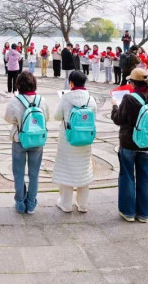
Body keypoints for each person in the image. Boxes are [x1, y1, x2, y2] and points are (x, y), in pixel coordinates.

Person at [111, 68, 148, 222]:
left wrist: (115, 106)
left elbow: (118, 119)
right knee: (145, 178)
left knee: (127, 176)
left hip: (129, 143)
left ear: (133, 83)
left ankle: (128, 212)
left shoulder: (128, 99)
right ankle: (144, 213)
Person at [4, 71, 50, 214]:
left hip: (19, 140)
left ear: (18, 85)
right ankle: (31, 204)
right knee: (34, 174)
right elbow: (46, 117)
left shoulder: (15, 101)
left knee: (18, 173)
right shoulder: (41, 100)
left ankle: (19, 203)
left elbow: (8, 118)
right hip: (37, 140)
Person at [53, 71, 96, 212]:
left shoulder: (65, 99)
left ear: (71, 83)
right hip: (86, 140)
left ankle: (66, 203)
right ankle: (82, 204)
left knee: (67, 169)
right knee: (84, 169)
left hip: (68, 140)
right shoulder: (91, 99)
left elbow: (57, 116)